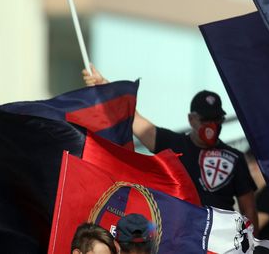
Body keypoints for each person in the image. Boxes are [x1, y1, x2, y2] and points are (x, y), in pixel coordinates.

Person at [82, 65, 258, 233]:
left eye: (217, 119)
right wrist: (106, 88)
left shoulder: (235, 158)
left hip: (222, 240)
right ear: (191, 120)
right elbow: (135, 120)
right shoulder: (174, 144)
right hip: (184, 237)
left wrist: (252, 245)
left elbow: (248, 208)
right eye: (206, 119)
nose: (212, 125)